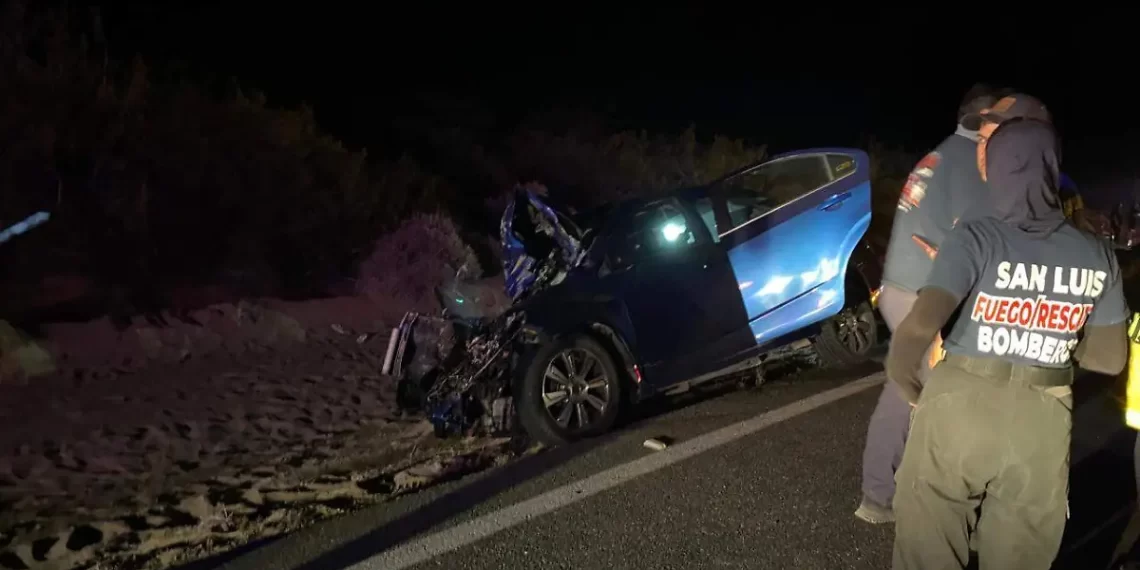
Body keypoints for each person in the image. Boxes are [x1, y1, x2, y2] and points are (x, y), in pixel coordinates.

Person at [888, 116, 1130, 569]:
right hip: (1043, 417)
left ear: (997, 170)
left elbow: (919, 328)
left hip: (960, 406)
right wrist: (1045, 331)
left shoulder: (976, 236)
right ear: (1050, 167)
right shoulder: (1097, 254)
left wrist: (911, 388)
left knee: (929, 542)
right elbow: (1110, 357)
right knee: (1021, 553)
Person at [856, 83, 1010, 524]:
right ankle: (903, 499)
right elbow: (990, 237)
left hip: (899, 287)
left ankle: (881, 494)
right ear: (985, 121)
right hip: (925, 293)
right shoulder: (975, 164)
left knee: (905, 385)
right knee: (940, 393)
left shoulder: (943, 153)